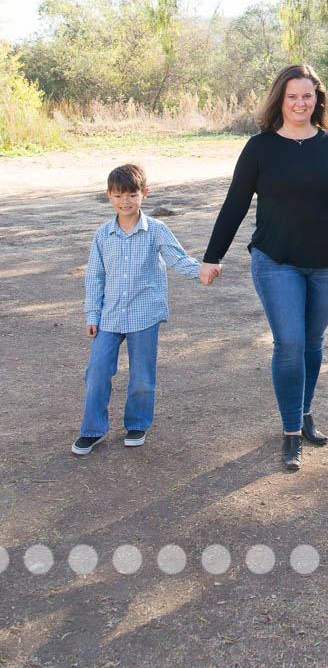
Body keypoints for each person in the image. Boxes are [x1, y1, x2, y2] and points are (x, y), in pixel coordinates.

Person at [199, 63, 328, 472]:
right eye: (292, 96)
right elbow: (234, 205)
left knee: (313, 343)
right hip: (276, 261)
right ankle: (290, 432)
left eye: (308, 96)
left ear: (318, 100)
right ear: (280, 99)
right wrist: (213, 257)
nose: (300, 103)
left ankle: (305, 411)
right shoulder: (260, 148)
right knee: (290, 343)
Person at [71, 163, 217, 456]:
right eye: (118, 196)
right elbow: (94, 277)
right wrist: (92, 314)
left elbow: (177, 259)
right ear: (108, 196)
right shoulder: (102, 235)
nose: (125, 202)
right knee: (97, 371)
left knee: (141, 375)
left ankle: (137, 424)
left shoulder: (157, 230)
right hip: (109, 317)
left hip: (144, 316)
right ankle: (92, 430)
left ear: (144, 194)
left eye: (131, 195)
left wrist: (201, 271)